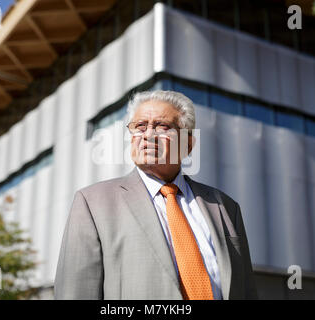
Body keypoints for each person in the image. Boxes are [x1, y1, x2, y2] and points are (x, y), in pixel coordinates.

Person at [54, 90, 257, 300]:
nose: (148, 135)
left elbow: (247, 291)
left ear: (188, 144)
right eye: (140, 126)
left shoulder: (224, 206)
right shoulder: (93, 204)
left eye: (162, 126)